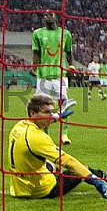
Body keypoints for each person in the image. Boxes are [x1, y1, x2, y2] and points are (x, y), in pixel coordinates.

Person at [7, 94, 107, 200]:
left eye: (51, 112)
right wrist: (93, 179)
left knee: (50, 164)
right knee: (81, 169)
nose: (50, 116)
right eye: (46, 112)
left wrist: (57, 117)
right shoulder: (38, 138)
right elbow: (68, 161)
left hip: (19, 186)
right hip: (40, 189)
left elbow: (40, 123)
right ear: (32, 113)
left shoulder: (20, 125)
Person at [32, 11, 75, 145]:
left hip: (59, 74)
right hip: (43, 75)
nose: (48, 17)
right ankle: (45, 135)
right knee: (43, 106)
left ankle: (64, 135)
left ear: (56, 17)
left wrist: (71, 65)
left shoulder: (65, 34)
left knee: (64, 103)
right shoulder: (37, 33)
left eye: (51, 14)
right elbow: (36, 53)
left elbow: (68, 52)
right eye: (46, 15)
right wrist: (34, 68)